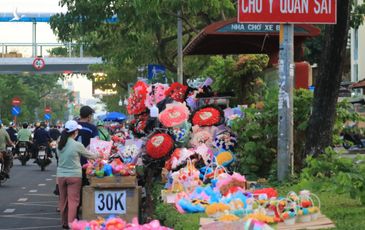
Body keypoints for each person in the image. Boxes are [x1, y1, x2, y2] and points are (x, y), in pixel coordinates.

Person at [57, 120, 100, 229]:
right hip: (74, 176)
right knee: (73, 201)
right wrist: (99, 154)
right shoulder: (77, 145)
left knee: (63, 199)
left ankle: (64, 222)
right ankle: (72, 224)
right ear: (75, 132)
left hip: (61, 175)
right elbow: (90, 155)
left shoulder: (60, 144)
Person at [76, 106, 98, 186]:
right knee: (85, 184)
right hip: (87, 162)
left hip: (72, 161)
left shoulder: (73, 126)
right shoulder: (92, 128)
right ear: (89, 116)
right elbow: (96, 143)